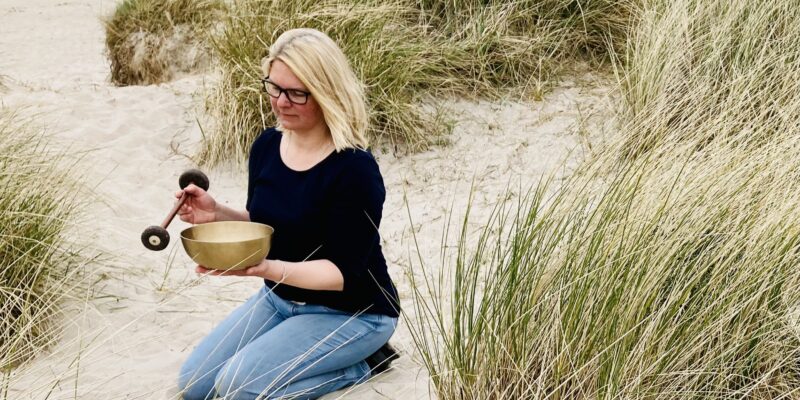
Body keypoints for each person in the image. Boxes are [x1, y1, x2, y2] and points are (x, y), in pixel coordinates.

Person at [176, 28, 400, 400]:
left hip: (353, 313)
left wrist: (266, 268)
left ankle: (364, 364)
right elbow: (270, 222)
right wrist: (216, 213)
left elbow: (341, 273)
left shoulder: (354, 169)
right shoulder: (266, 146)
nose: (281, 102)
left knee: (238, 388)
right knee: (195, 384)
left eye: (297, 93)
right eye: (274, 87)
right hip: (279, 300)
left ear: (327, 92)